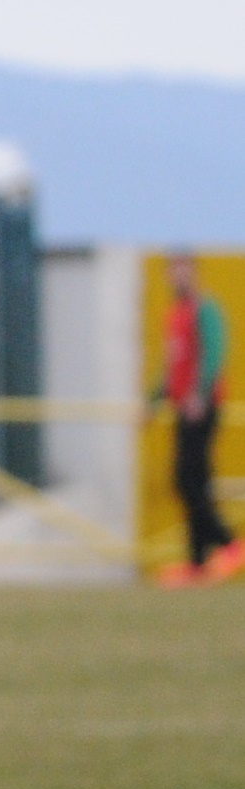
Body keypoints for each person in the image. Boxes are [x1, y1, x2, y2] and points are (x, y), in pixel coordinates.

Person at [154, 250, 236, 585]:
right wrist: (153, 399)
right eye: (172, 270)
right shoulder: (174, 314)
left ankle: (229, 543)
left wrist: (200, 394)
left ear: (194, 272)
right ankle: (198, 562)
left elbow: (214, 353)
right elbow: (171, 367)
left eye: (182, 269)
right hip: (181, 407)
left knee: (187, 480)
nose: (177, 276)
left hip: (200, 408)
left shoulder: (205, 309)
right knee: (191, 483)